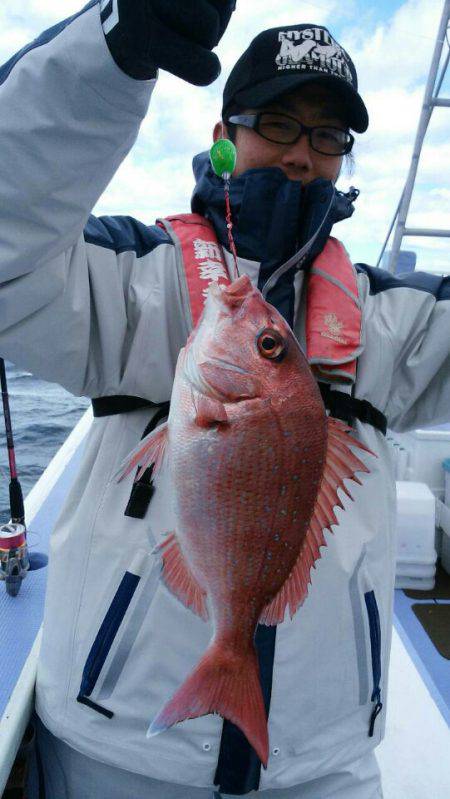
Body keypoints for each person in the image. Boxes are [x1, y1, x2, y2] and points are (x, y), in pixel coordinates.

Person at [0, 1, 448, 797]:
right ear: (225, 131)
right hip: (119, 749)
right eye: (277, 122)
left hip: (322, 764)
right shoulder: (130, 275)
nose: (302, 155)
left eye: (327, 136)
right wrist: (104, 65)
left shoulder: (392, 318)